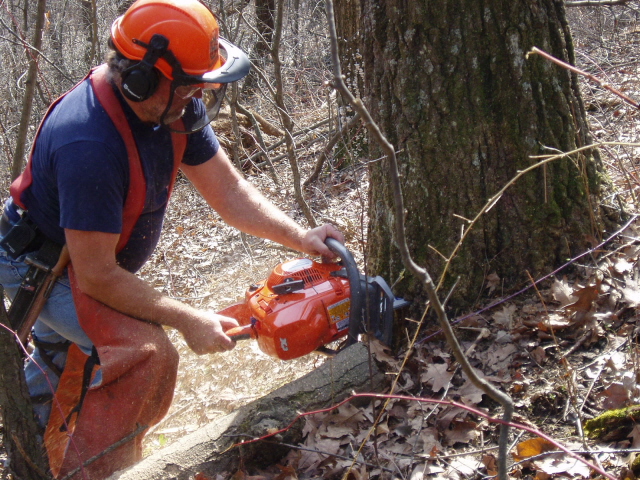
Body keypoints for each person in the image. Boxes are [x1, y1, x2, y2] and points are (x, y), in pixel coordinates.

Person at [0, 0, 344, 478]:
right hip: (46, 266)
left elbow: (227, 190)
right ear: (140, 78)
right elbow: (98, 276)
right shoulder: (89, 143)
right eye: (188, 83)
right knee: (145, 357)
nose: (198, 92)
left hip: (88, 260)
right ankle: (99, 473)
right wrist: (187, 319)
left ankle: (38, 457)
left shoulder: (173, 107)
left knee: (65, 368)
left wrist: (300, 237)